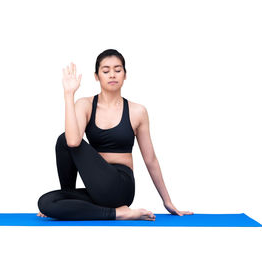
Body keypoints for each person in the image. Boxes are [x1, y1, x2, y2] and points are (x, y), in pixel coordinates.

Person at [37, 49, 193, 220]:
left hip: (120, 186)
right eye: (105, 71)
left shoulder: (137, 111)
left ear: (125, 75)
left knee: (64, 139)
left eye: (118, 70)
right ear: (96, 76)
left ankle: (112, 210)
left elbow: (150, 159)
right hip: (97, 187)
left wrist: (167, 201)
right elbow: (72, 141)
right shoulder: (85, 105)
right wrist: (68, 94)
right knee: (47, 202)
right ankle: (115, 212)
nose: (112, 75)